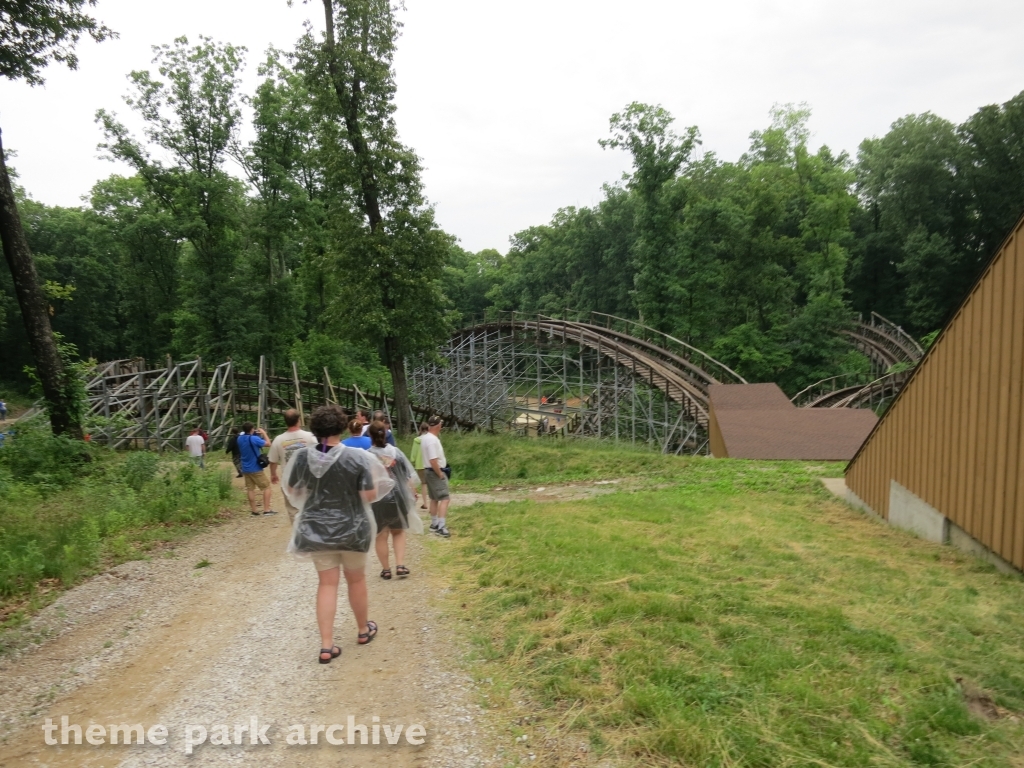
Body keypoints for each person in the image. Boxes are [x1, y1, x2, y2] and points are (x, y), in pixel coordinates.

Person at [283, 405, 393, 663]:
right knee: (356, 581)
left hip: (316, 530)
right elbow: (368, 496)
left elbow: (292, 490)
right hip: (353, 529)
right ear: (342, 427)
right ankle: (363, 629)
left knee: (327, 584)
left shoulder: (301, 457)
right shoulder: (358, 457)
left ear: (315, 428)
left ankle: (326, 645)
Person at [367, 421, 422, 579]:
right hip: (397, 495)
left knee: (381, 534)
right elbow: (406, 476)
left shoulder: (367, 455)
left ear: (370, 435)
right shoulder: (396, 452)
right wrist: (413, 491)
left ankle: (386, 569)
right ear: (385, 433)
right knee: (398, 532)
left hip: (378, 497)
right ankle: (400, 565)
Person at [269, 409, 317, 522]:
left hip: (289, 481)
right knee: (311, 509)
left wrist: (273, 474)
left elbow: (273, 461)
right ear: (299, 420)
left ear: (286, 421)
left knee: (293, 511)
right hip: (308, 479)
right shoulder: (310, 437)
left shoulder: (278, 440)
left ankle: (298, 535)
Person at [420, 415, 451, 538]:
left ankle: (434, 523)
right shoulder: (432, 440)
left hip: (428, 470)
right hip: (434, 471)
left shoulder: (426, 438)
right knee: (445, 497)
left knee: (434, 498)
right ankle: (441, 527)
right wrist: (440, 474)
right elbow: (433, 460)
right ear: (438, 426)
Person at [239, 422, 274, 517]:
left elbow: (247, 441)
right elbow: (268, 444)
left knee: (250, 489)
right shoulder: (254, 438)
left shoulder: (239, 438)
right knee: (266, 487)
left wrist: (253, 433)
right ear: (252, 429)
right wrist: (264, 433)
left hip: (245, 468)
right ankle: (267, 509)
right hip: (255, 468)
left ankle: (254, 510)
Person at [409, 422, 429, 509]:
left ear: (420, 429)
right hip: (430, 464)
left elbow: (413, 455)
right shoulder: (431, 439)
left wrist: (413, 461)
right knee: (431, 485)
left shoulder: (416, 440)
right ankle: (433, 504)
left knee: (423, 484)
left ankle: (425, 503)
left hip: (420, 465)